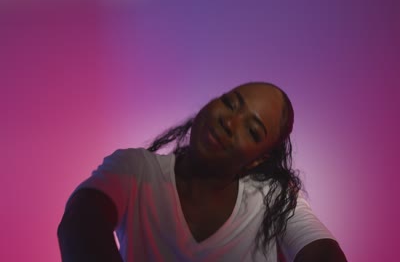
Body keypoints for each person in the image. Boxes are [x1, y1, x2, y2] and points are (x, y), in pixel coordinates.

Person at [57, 82, 347, 262]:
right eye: (230, 103)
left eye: (251, 130)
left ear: (258, 160)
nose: (229, 123)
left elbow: (322, 254)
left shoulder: (274, 199)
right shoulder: (136, 170)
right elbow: (80, 223)